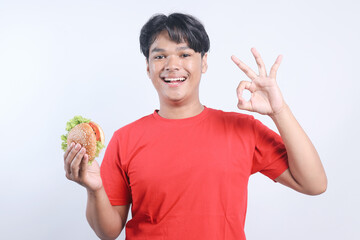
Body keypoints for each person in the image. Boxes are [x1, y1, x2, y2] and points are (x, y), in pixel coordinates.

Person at [63, 13, 327, 240]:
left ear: (204, 62)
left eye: (185, 54)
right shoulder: (126, 139)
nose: (172, 65)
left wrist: (278, 111)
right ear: (148, 67)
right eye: (159, 56)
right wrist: (94, 189)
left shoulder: (243, 129)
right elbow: (108, 231)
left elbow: (314, 184)